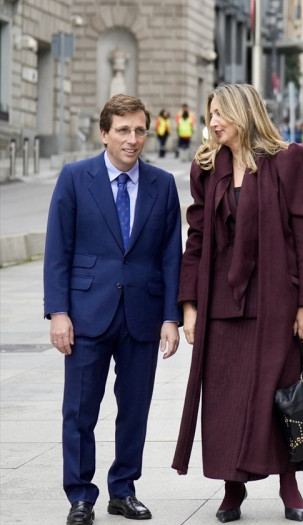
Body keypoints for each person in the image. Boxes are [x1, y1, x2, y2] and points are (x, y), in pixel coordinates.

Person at [170, 83, 303, 523]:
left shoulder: (290, 159)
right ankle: (231, 486)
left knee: (277, 394)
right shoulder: (206, 166)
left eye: (221, 113)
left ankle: (288, 484)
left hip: (276, 297)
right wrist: (189, 305)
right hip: (220, 301)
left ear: (245, 112)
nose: (213, 121)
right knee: (224, 398)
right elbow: (196, 238)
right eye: (210, 113)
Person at [44, 94, 182, 525]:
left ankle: (123, 490)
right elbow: (57, 251)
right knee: (80, 410)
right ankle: (81, 496)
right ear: (104, 133)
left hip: (142, 314)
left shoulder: (162, 184)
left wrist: (170, 317)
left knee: (135, 408)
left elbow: (170, 256)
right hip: (87, 312)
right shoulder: (74, 177)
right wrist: (58, 312)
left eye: (140, 130)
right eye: (123, 130)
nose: (133, 139)